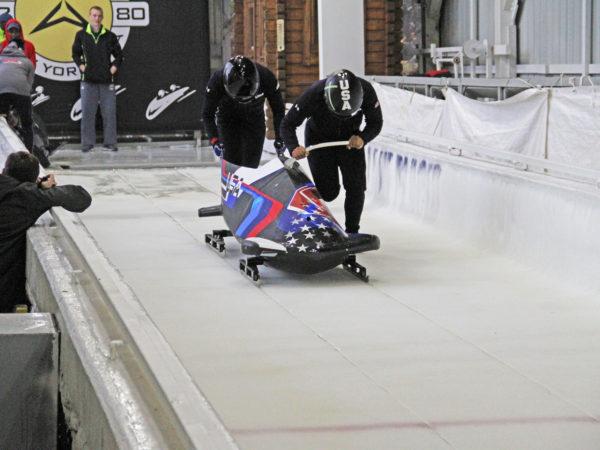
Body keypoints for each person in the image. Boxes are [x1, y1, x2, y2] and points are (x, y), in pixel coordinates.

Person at [280, 69, 383, 234]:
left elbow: (376, 122)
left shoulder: (366, 91)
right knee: (328, 192)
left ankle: (352, 231)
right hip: (319, 140)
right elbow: (287, 124)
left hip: (350, 141)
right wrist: (294, 147)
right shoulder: (313, 94)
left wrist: (363, 138)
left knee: (356, 185)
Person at [0, 151, 92, 312]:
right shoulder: (29, 197)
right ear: (34, 178)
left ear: (3, 171)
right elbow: (81, 198)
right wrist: (44, 188)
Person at [202, 55, 285, 168]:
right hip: (228, 121)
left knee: (250, 166)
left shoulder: (266, 77)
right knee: (232, 165)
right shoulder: (216, 81)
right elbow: (207, 114)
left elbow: (278, 109)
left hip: (254, 121)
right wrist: (215, 140)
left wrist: (280, 138)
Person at [72, 6, 123, 152]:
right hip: (88, 81)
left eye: (99, 16)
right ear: (89, 16)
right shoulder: (81, 35)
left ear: (102, 18)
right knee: (87, 113)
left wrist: (112, 69)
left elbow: (119, 55)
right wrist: (82, 67)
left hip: (107, 81)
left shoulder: (110, 36)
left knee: (109, 113)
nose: (97, 18)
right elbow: (75, 54)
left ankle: (110, 142)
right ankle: (87, 143)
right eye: (94, 15)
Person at [0, 40, 35, 152]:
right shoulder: (27, 62)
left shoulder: (1, 59)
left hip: (2, 92)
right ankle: (29, 154)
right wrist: (16, 112)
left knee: (1, 124)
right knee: (27, 124)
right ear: (22, 49)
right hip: (21, 93)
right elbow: (28, 86)